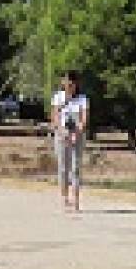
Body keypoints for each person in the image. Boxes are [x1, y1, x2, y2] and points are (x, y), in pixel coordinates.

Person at [50, 71, 88, 213]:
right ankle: (64, 198)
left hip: (77, 136)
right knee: (63, 168)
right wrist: (62, 131)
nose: (68, 85)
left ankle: (76, 199)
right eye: (66, 82)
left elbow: (84, 118)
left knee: (76, 168)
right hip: (62, 135)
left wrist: (77, 131)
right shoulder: (57, 97)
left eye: (71, 83)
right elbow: (54, 116)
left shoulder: (82, 99)